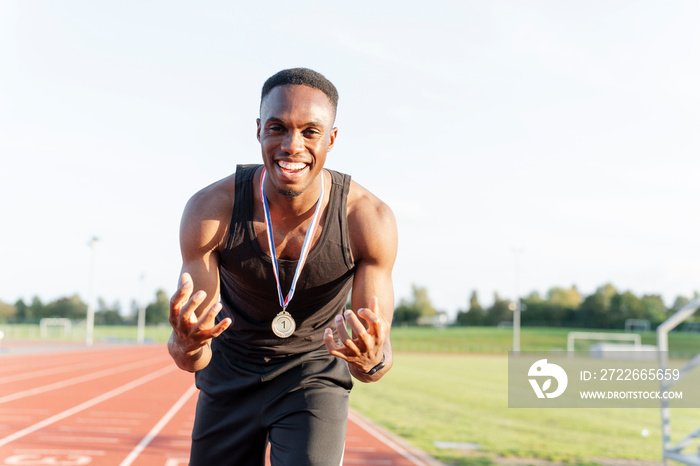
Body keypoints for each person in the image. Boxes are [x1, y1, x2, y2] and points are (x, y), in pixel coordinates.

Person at [167, 67, 398, 465]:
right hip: (229, 370)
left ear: (332, 139)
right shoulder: (211, 211)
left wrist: (370, 360)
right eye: (277, 128)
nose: (292, 145)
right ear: (258, 131)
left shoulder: (367, 219)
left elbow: (373, 363)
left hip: (312, 376)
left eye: (310, 131)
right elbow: (194, 358)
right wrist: (184, 344)